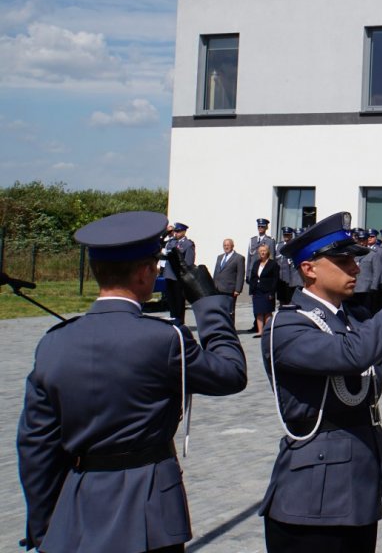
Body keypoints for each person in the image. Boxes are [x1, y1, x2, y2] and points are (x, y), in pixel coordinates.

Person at [18, 211, 246, 552]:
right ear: (144, 272)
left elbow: (36, 447)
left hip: (78, 507)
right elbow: (230, 374)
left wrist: (45, 526)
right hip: (151, 509)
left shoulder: (52, 343)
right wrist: (209, 304)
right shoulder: (165, 339)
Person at [259, 212, 382, 552]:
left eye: (355, 260)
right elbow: (351, 355)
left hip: (360, 486)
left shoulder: (358, 318)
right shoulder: (286, 326)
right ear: (309, 269)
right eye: (342, 261)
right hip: (311, 496)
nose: (355, 268)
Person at [161, 221, 194, 325]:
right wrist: (167, 232)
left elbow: (188, 262)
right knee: (171, 302)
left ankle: (180, 323)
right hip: (169, 275)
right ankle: (173, 321)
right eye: (175, 231)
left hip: (179, 277)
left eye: (178, 231)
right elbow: (160, 243)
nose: (176, 233)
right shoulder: (172, 242)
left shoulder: (188, 244)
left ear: (184, 232)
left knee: (179, 303)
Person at [212, 237, 246, 324]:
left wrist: (238, 289)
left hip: (230, 289)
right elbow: (216, 273)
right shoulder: (220, 257)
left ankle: (230, 329)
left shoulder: (239, 258)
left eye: (228, 245)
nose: (226, 247)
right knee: (219, 310)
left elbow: (240, 274)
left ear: (232, 246)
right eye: (224, 245)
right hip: (218, 289)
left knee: (229, 311)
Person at [249, 243, 280, 337]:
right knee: (258, 312)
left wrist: (272, 292)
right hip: (257, 291)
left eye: (264, 251)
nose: (262, 252)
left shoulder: (273, 264)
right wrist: (251, 290)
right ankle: (260, 331)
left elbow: (275, 279)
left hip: (267, 291)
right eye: (261, 251)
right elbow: (253, 277)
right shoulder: (256, 263)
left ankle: (268, 331)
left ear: (268, 252)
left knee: (267, 312)